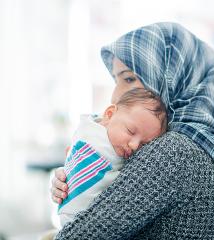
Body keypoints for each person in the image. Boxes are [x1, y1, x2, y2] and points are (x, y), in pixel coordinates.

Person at [51, 22, 214, 239]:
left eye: (129, 79)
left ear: (169, 75)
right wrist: (76, 180)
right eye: (116, 80)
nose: (115, 96)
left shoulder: (174, 151)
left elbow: (78, 236)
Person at [58, 87, 167, 226]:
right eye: (130, 131)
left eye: (143, 145)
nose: (134, 145)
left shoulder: (90, 127)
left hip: (80, 221)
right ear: (109, 114)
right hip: (69, 212)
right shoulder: (93, 135)